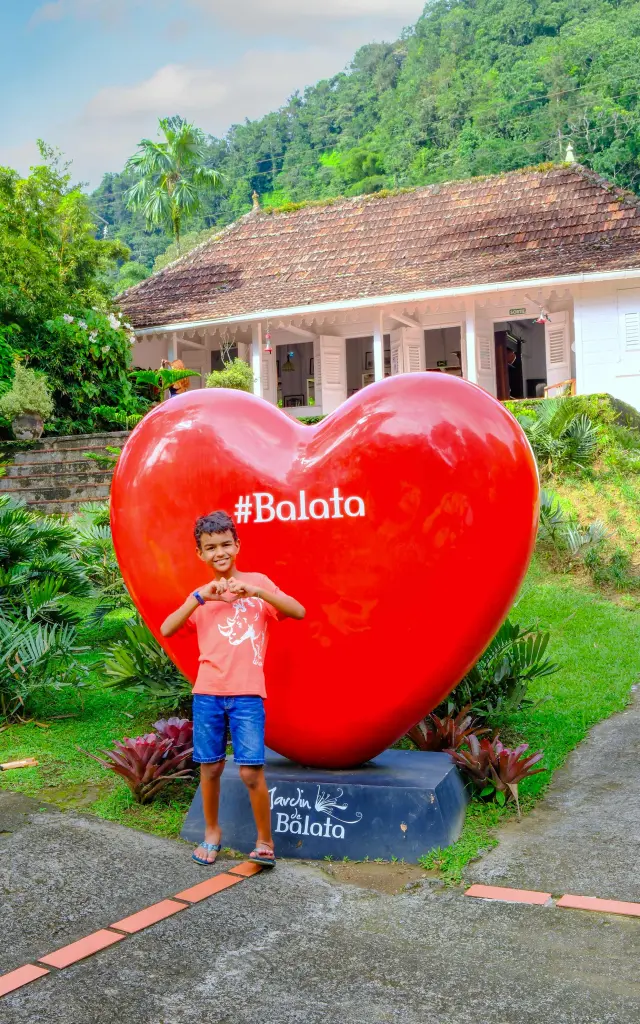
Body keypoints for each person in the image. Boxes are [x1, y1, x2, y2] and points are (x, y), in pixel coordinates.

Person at [160, 510, 305, 869]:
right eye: (210, 547)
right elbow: (167, 628)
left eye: (226, 544)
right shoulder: (202, 598)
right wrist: (198, 596)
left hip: (247, 694)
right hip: (207, 693)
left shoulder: (258, 585)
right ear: (200, 554)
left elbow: (298, 611)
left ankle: (265, 841)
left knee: (250, 771)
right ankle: (212, 833)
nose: (219, 552)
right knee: (209, 768)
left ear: (237, 546)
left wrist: (257, 591)